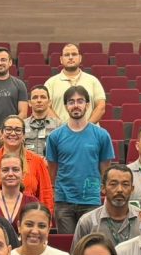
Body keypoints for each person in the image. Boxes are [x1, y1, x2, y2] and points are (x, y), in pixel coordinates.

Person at [45, 86, 115, 234]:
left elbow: (105, 171)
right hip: (64, 201)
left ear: (87, 105)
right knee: (67, 244)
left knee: (91, 244)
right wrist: (54, 192)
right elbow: (52, 170)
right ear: (66, 106)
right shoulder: (55, 136)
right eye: (71, 102)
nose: (76, 105)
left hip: (91, 200)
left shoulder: (102, 135)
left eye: (80, 101)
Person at [0, 115, 55, 210]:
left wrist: (46, 217)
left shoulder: (37, 161)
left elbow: (46, 195)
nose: (13, 133)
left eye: (18, 130)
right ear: (2, 133)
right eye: (8, 129)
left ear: (24, 135)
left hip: (28, 216)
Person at [74, 163, 141, 244]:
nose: (120, 190)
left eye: (125, 184)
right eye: (113, 184)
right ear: (103, 188)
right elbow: (77, 252)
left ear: (132, 189)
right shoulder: (87, 222)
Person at [44, 43, 107, 124]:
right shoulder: (50, 83)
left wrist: (86, 127)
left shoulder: (93, 81)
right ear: (61, 59)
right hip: (60, 131)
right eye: (67, 55)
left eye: (74, 54)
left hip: (89, 131)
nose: (70, 57)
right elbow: (46, 108)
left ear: (80, 58)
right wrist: (62, 128)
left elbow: (101, 107)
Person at [0, 153, 39, 233]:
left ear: (23, 175)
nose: (10, 174)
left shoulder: (33, 202)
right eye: (5, 170)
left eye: (15, 170)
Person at [23, 85, 62, 157]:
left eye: (43, 97)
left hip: (50, 163)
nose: (39, 100)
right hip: (28, 163)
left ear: (49, 102)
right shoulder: (22, 125)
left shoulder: (59, 125)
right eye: (35, 97)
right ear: (29, 103)